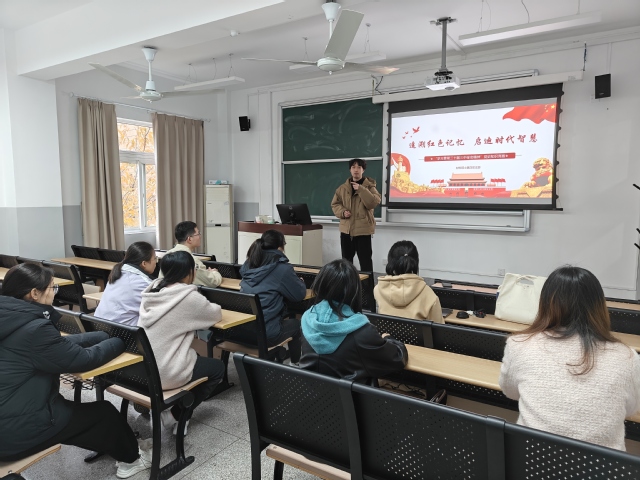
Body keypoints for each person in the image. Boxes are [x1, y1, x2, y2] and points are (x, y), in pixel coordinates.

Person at [0, 263, 151, 479]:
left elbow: (58, 347)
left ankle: (117, 444)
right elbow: (84, 360)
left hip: (13, 414)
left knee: (83, 416)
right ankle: (132, 460)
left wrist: (100, 336)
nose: (55, 293)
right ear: (34, 293)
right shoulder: (35, 329)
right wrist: (119, 341)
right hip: (18, 431)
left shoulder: (11, 318)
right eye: (52, 288)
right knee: (104, 414)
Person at [499, 266, 640, 451]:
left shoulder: (519, 344)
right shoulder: (627, 357)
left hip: (532, 460)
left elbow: (510, 392)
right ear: (599, 306)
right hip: (601, 466)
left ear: (545, 303)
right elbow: (631, 408)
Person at [138, 251, 225, 436]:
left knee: (198, 359)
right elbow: (215, 314)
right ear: (189, 272)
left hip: (143, 370)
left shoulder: (153, 292)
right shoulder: (187, 297)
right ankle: (177, 415)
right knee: (217, 369)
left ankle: (179, 413)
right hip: (166, 372)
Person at [299, 259, 408, 384]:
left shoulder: (306, 320)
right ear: (354, 290)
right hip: (351, 396)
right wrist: (389, 339)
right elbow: (397, 358)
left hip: (310, 393)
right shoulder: (362, 332)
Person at [237, 229, 307, 363]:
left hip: (243, 331)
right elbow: (299, 295)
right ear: (281, 247)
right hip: (266, 335)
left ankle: (281, 357)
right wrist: (301, 283)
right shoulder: (282, 268)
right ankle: (296, 364)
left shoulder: (250, 264)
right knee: (297, 324)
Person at [331, 158, 381, 273]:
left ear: (363, 170)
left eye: (359, 167)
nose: (356, 170)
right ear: (350, 170)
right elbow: (335, 204)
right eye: (353, 167)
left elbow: (373, 203)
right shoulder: (342, 188)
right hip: (346, 230)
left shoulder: (370, 187)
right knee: (346, 263)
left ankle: (367, 285)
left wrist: (361, 189)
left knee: (365, 262)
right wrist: (343, 212)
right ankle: (348, 284)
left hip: (363, 231)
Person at [374, 240, 443, 323]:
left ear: (390, 262)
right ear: (416, 262)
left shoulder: (378, 289)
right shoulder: (429, 294)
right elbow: (439, 327)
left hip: (386, 332)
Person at [94, 241, 157, 326]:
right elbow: (156, 309)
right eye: (155, 259)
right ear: (144, 263)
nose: (156, 262)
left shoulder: (117, 273)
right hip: (121, 330)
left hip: (99, 324)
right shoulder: (144, 283)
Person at [160, 221, 221, 288]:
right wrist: (214, 272)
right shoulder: (191, 260)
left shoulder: (168, 255)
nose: (200, 236)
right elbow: (213, 281)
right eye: (198, 234)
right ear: (189, 239)